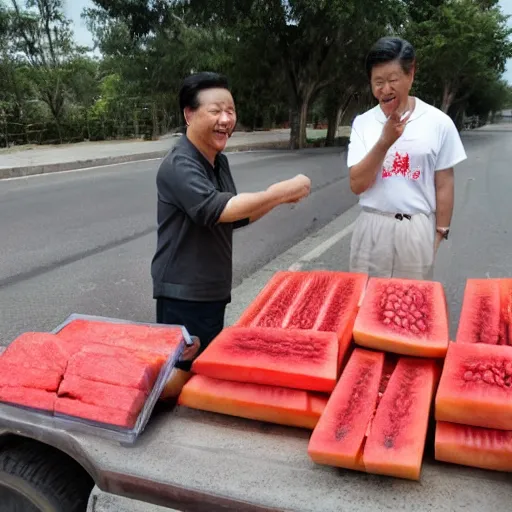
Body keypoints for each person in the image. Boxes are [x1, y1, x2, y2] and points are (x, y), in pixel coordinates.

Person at [152, 72, 311, 398]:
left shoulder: (217, 161)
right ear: (189, 114)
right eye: (215, 111)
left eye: (230, 111)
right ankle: (109, 411)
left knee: (202, 374)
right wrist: (278, 192)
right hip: (184, 294)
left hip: (211, 289)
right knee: (175, 381)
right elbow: (216, 208)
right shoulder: (180, 164)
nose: (226, 119)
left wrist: (277, 199)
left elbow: (235, 216)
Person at [347, 37, 467, 279]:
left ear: (410, 73)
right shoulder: (363, 123)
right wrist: (384, 142)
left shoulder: (438, 123)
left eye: (392, 80)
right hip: (372, 228)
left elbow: (444, 183)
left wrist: (439, 233)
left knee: (411, 310)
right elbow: (357, 184)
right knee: (365, 306)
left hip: (416, 230)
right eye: (378, 82)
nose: (385, 89)